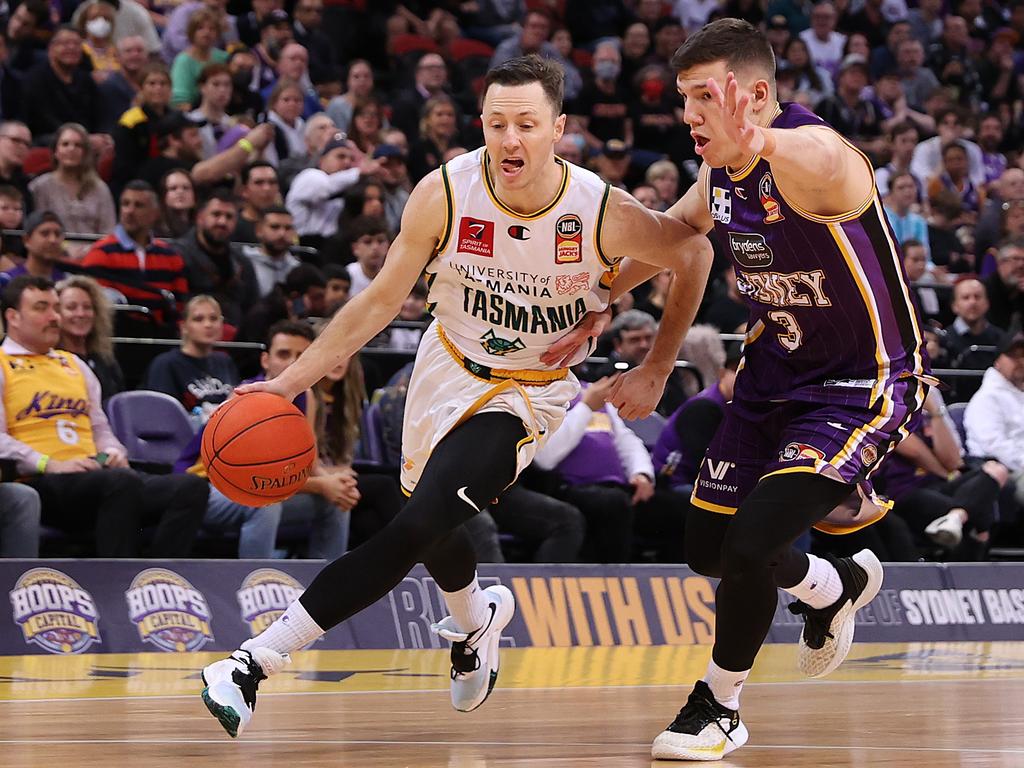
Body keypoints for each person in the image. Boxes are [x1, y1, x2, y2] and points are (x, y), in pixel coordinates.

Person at [197, 54, 712, 738]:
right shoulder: (444, 191)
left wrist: (656, 366)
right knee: (428, 511)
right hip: (446, 367)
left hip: (527, 394)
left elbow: (694, 252)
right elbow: (381, 299)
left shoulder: (598, 210)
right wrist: (286, 385)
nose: (510, 140)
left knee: (414, 526)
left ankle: (252, 663)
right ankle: (476, 620)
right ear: (481, 125)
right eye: (497, 123)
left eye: (527, 124)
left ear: (557, 129)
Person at [553, 20, 932, 760]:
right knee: (710, 548)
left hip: (859, 384)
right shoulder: (718, 174)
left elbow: (821, 154)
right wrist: (600, 297)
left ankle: (718, 706)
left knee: (755, 540)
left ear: (754, 97)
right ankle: (832, 584)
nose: (687, 113)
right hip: (769, 380)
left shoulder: (823, 161)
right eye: (684, 98)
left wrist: (763, 141)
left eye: (703, 97)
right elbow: (673, 236)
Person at [144, 295, 239, 423]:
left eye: (214, 318)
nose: (208, 324)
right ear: (184, 327)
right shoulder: (166, 364)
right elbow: (161, 416)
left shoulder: (225, 361)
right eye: (198, 319)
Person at [56, 275, 125, 402]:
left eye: (87, 307)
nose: (81, 314)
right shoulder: (51, 360)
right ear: (56, 313)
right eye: (71, 307)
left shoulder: (105, 361)